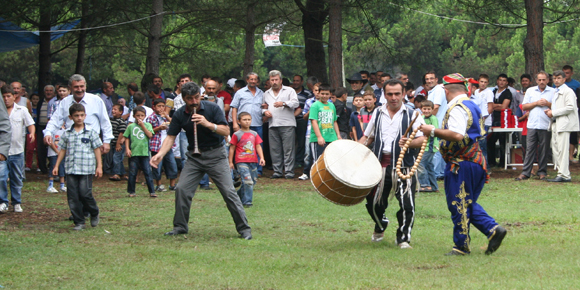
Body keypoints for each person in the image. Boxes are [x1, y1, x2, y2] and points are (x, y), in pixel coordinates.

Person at [151, 82, 252, 240]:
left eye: (196, 97)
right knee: (182, 189)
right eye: (189, 99)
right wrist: (160, 154)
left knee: (228, 192)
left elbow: (226, 130)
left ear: (200, 95)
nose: (194, 101)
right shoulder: (179, 114)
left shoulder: (212, 108)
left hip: (216, 155)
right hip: (194, 157)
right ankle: (180, 226)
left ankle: (244, 229)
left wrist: (208, 124)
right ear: (183, 99)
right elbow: (170, 137)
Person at [419, 73, 506, 256]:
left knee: (457, 203)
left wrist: (432, 130)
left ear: (445, 89)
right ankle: (493, 230)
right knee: (466, 202)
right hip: (474, 161)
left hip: (462, 163)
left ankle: (461, 246)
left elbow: (457, 135)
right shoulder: (471, 104)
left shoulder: (457, 107)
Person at [358, 79, 425, 249]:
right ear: (384, 95)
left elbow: (423, 138)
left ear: (404, 94)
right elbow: (368, 137)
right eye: (390, 94)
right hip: (379, 165)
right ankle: (381, 224)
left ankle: (403, 239)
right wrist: (353, 152)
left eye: (397, 94)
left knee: (407, 205)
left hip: (404, 166)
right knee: (373, 203)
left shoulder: (413, 114)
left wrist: (409, 143)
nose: (394, 97)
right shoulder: (378, 113)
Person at [52, 103, 103, 230]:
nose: (79, 118)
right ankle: (79, 222)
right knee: (73, 196)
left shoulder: (91, 132)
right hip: (71, 168)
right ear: (71, 117)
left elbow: (97, 149)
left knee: (85, 193)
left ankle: (94, 211)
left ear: (85, 116)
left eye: (81, 115)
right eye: (76, 116)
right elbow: (62, 150)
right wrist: (56, 165)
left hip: (86, 169)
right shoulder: (67, 133)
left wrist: (99, 166)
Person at [44, 74, 113, 157]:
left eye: (82, 86)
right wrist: (48, 133)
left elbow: (105, 122)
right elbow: (55, 120)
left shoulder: (96, 100)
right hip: (71, 144)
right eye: (76, 87)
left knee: (90, 168)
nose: (80, 89)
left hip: (92, 144)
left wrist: (106, 141)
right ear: (70, 88)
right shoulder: (65, 102)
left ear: (85, 86)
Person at [1, 85, 35, 213]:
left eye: (8, 96)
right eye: (3, 96)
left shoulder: (22, 110)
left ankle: (16, 202)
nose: (6, 99)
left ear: (14, 96)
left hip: (17, 150)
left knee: (16, 177)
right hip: (2, 151)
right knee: (1, 177)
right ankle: (3, 201)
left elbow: (30, 123)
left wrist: (31, 133)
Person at [515, 72, 554, 181]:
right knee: (529, 149)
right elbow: (524, 106)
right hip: (532, 124)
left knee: (544, 149)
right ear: (536, 80)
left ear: (547, 80)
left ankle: (542, 172)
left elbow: (556, 106)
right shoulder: (530, 91)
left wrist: (547, 103)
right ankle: (526, 172)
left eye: (544, 80)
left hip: (545, 124)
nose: (542, 82)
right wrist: (536, 103)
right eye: (540, 80)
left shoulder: (553, 91)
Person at [544, 70, 579, 182]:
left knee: (563, 150)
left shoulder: (568, 91)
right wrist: (551, 111)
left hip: (564, 123)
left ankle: (564, 175)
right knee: (556, 149)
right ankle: (561, 172)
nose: (556, 80)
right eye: (554, 78)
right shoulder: (556, 91)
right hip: (556, 122)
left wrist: (553, 112)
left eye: (559, 78)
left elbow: (570, 107)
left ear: (564, 79)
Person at [263, 70, 299, 179]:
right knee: (275, 149)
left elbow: (296, 103)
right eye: (272, 80)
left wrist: (284, 103)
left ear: (281, 80)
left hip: (287, 123)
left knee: (288, 149)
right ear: (269, 81)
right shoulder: (266, 93)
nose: (274, 82)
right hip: (272, 124)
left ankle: (289, 172)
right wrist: (265, 112)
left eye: (276, 80)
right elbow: (263, 107)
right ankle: (277, 171)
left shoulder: (289, 90)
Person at [304, 84, 341, 179]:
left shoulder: (331, 105)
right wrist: (319, 137)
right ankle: (318, 179)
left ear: (330, 94)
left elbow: (334, 121)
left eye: (326, 94)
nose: (324, 96)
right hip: (318, 138)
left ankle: (328, 178)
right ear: (318, 94)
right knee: (318, 160)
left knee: (331, 159)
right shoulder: (315, 105)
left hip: (331, 137)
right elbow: (314, 121)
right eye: (322, 93)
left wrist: (338, 136)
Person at [231, 72, 265, 176]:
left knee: (258, 146)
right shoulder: (240, 93)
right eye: (251, 79)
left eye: (255, 79)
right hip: (242, 125)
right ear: (247, 80)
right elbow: (234, 108)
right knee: (241, 147)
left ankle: (258, 170)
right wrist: (235, 123)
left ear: (257, 81)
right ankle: (241, 169)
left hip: (257, 124)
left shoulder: (261, 93)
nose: (253, 81)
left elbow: (264, 107)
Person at [229, 112, 266, 207]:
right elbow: (232, 148)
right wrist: (230, 162)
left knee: (251, 182)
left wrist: (261, 158)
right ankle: (247, 202)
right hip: (241, 161)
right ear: (239, 121)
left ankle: (236, 198)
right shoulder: (237, 134)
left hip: (253, 161)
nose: (247, 122)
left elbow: (258, 146)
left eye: (249, 119)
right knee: (247, 181)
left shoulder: (254, 134)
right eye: (244, 120)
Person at [146, 99, 178, 191]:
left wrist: (167, 117)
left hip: (168, 145)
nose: (161, 108)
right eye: (159, 106)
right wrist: (159, 128)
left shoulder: (165, 117)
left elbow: (174, 124)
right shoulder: (151, 118)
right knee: (157, 166)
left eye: (163, 106)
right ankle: (158, 185)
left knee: (172, 164)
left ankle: (172, 185)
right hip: (156, 146)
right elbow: (149, 131)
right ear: (154, 107)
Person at [124, 106, 156, 197]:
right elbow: (126, 137)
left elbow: (150, 135)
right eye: (138, 115)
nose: (140, 117)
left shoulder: (148, 125)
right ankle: (131, 191)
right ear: (134, 116)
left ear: (145, 116)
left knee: (148, 172)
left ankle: (152, 191)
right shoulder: (131, 126)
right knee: (132, 172)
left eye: (142, 115)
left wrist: (142, 126)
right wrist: (127, 149)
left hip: (145, 153)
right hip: (134, 153)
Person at [487, 74, 513, 168]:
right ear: (497, 81)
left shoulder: (507, 93)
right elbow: (487, 105)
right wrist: (496, 105)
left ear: (507, 82)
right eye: (500, 80)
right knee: (490, 141)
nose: (502, 82)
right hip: (492, 119)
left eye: (504, 80)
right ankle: (492, 161)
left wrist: (492, 106)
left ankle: (503, 163)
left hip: (503, 120)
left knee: (503, 141)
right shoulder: (493, 91)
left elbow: (504, 107)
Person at [418, 100, 439, 192]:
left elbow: (435, 131)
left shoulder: (433, 119)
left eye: (428, 109)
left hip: (430, 146)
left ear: (432, 109)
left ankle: (425, 184)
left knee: (420, 163)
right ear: (421, 109)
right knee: (429, 166)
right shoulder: (421, 117)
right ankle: (434, 186)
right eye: (424, 109)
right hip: (423, 145)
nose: (426, 111)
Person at [474, 74, 493, 160]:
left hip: (485, 121)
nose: (483, 84)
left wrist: (483, 118)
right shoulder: (476, 91)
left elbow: (490, 108)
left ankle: (486, 167)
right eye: (481, 81)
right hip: (476, 121)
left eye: (485, 82)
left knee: (482, 144)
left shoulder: (489, 92)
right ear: (478, 81)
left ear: (488, 83)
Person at [108, 104, 128, 181]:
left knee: (116, 158)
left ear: (120, 112)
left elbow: (121, 133)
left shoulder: (121, 121)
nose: (113, 111)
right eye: (112, 109)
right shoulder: (112, 120)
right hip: (113, 143)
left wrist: (118, 144)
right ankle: (122, 173)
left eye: (115, 109)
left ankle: (116, 174)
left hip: (119, 143)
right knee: (118, 158)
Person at [46, 124, 66, 193]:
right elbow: (50, 142)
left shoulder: (64, 131)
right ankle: (50, 185)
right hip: (53, 153)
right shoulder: (51, 130)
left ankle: (62, 185)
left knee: (62, 168)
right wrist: (57, 151)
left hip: (61, 153)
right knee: (53, 167)